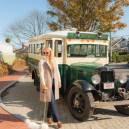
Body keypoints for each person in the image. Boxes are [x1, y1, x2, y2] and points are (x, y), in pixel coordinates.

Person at [39, 47, 62, 128]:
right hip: (47, 83)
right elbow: (41, 74)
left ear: (50, 52)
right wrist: (43, 84)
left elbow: (57, 71)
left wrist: (59, 81)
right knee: (52, 101)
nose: (45, 54)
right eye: (44, 52)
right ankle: (57, 120)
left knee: (50, 100)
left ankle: (48, 118)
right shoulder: (42, 61)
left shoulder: (54, 60)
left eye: (47, 52)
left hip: (54, 82)